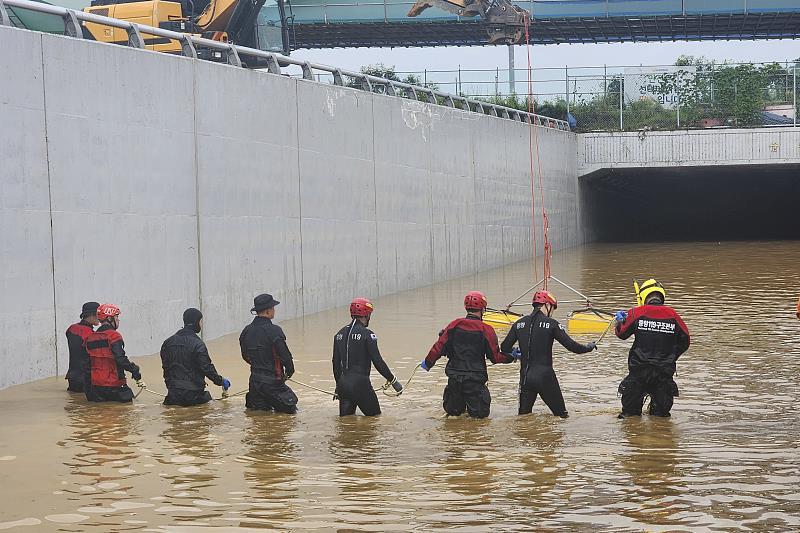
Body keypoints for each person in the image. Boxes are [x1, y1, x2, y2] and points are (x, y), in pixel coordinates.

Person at [500, 290, 597, 418]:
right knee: (562, 417)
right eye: (553, 308)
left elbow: (504, 347)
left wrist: (516, 352)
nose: (552, 312)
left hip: (525, 378)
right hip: (545, 377)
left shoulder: (519, 323)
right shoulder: (552, 324)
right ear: (547, 305)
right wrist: (588, 347)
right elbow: (573, 347)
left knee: (523, 419)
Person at [420, 291, 514, 419]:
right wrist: (511, 357)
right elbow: (495, 357)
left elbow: (439, 347)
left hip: (455, 381)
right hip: (475, 382)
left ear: (466, 307)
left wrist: (428, 363)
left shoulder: (454, 325)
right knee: (479, 421)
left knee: (453, 417)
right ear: (483, 309)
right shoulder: (486, 329)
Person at [614, 279, 690, 418]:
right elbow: (685, 341)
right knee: (661, 418)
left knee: (629, 417)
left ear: (643, 297)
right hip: (664, 374)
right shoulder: (673, 315)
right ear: (662, 296)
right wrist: (671, 355)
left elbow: (621, 334)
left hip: (639, 372)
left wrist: (619, 322)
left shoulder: (636, 312)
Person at [332, 298, 403, 417]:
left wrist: (339, 385)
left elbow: (335, 364)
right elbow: (378, 361)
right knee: (375, 421)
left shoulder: (338, 334)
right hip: (361, 385)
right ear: (367, 314)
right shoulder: (368, 335)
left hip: (343, 386)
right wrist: (393, 380)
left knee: (346, 426)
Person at [239, 293, 298, 414]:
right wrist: (289, 372)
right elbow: (286, 357)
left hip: (254, 383)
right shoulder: (274, 331)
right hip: (273, 383)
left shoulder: (246, 331)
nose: (274, 310)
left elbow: (245, 356)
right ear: (267, 311)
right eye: (273, 308)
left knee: (259, 419)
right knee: (291, 414)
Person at [160, 308, 231, 406]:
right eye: (201, 321)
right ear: (197, 322)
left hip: (172, 395)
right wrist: (221, 381)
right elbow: (206, 368)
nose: (201, 325)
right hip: (194, 396)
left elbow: (166, 368)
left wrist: (172, 387)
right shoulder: (198, 344)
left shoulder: (167, 343)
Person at [84, 304, 142, 403]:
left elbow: (86, 364)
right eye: (116, 317)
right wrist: (134, 370)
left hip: (96, 387)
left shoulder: (90, 337)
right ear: (109, 318)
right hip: (115, 385)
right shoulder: (114, 336)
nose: (118, 320)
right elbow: (120, 358)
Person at [65, 302, 100, 392]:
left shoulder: (71, 329)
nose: (100, 318)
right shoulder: (90, 334)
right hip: (85, 377)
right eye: (98, 315)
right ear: (91, 315)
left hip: (72, 376)